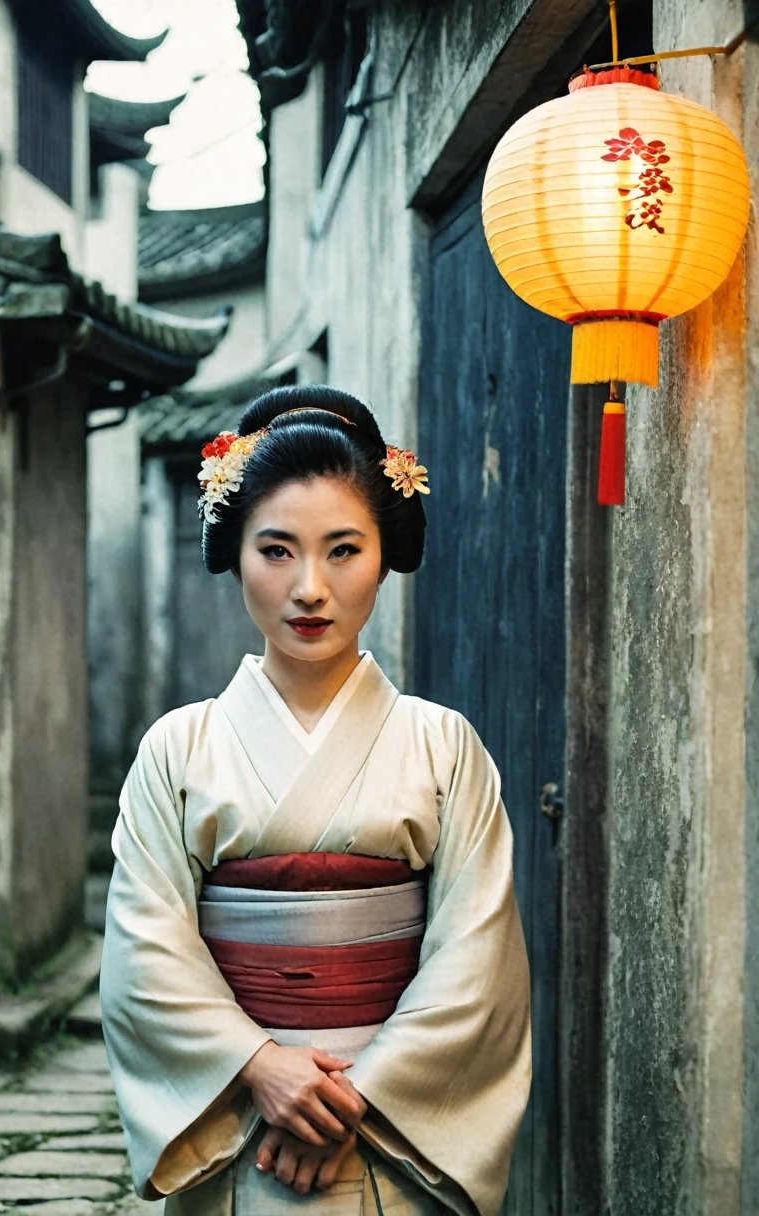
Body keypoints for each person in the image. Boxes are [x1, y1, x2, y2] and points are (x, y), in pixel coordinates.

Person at [99, 385, 531, 1215]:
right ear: (233, 553)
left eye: (342, 549)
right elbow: (144, 951)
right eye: (277, 550)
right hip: (240, 1127)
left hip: (387, 1139)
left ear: (385, 552)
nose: (309, 588)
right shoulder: (177, 750)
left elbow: (477, 962)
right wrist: (260, 1067)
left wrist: (354, 1098)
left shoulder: (444, 746)